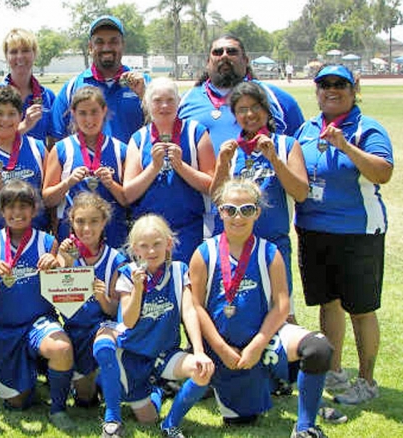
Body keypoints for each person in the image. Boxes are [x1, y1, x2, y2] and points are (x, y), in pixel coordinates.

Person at [190, 178, 333, 438]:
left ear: (257, 212)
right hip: (224, 347)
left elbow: (281, 305)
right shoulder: (203, 253)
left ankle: (305, 427)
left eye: (246, 209)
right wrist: (221, 349)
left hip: (263, 340)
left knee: (319, 348)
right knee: (243, 420)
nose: (238, 217)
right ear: (219, 210)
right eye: (230, 209)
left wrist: (258, 343)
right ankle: (263, 382)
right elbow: (196, 307)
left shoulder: (269, 252)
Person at [295, 64, 393, 405]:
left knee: (361, 309)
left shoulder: (367, 129)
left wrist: (346, 147)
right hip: (312, 229)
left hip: (357, 232)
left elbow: (383, 172)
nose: (331, 90)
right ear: (317, 90)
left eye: (340, 84)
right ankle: (334, 370)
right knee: (328, 303)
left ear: (354, 90)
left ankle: (366, 380)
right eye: (325, 84)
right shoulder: (306, 129)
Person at [92, 214, 213, 438]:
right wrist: (138, 288)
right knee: (102, 345)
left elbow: (189, 311)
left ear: (168, 243)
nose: (151, 251)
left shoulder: (178, 271)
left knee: (203, 370)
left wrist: (198, 351)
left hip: (163, 353)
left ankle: (170, 424)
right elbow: (127, 321)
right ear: (135, 250)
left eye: (157, 244)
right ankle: (112, 419)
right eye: (144, 246)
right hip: (132, 353)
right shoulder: (128, 273)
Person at [0, 180, 75, 431]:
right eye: (10, 206)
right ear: (1, 210)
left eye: (23, 207)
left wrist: (58, 262)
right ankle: (29, 375)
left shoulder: (46, 242)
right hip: (2, 327)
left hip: (37, 322)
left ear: (34, 210)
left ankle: (59, 408)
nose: (16, 213)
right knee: (18, 403)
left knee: (61, 348)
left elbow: (63, 288)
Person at [211, 81, 308, 320]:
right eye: (242, 109)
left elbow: (301, 192)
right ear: (234, 115)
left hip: (274, 244)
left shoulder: (286, 145)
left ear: (266, 110)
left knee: (283, 313)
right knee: (241, 314)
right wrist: (223, 163)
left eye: (255, 107)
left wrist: (274, 158)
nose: (250, 114)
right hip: (237, 248)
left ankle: (288, 358)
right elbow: (216, 198)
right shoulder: (231, 150)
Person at [124, 77, 215, 263]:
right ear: (147, 104)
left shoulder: (195, 132)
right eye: (157, 100)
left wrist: (181, 167)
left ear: (179, 102)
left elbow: (212, 185)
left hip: (188, 229)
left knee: (186, 285)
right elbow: (128, 194)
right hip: (149, 232)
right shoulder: (139, 139)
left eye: (170, 100)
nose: (164, 106)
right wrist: (153, 168)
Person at [178, 34, 304, 156]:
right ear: (207, 62)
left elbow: (301, 149)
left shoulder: (277, 98)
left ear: (246, 60)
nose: (224, 56)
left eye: (232, 52)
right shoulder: (183, 100)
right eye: (217, 52)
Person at [55, 192, 126, 407]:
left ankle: (113, 378)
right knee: (85, 400)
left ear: (104, 222)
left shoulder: (116, 260)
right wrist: (65, 265)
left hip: (103, 329)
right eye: (80, 221)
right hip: (74, 331)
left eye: (94, 221)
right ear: (71, 222)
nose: (87, 228)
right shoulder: (65, 253)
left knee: (117, 389)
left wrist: (102, 298)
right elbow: (56, 300)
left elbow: (115, 310)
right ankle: (84, 381)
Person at [43, 86, 128, 248]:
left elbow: (127, 200)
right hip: (73, 235)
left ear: (104, 111)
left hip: (112, 234)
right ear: (73, 114)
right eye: (82, 113)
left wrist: (111, 184)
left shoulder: (120, 149)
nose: (89, 119)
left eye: (94, 112)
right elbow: (47, 200)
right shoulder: (62, 149)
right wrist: (67, 183)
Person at [0, 85, 48, 249]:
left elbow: (48, 197)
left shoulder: (38, 149)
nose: (5, 120)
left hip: (36, 243)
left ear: (21, 116)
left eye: (12, 114)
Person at [51, 15, 149, 143]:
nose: (107, 47)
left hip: (132, 162)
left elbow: (163, 127)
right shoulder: (72, 87)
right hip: (86, 163)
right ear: (90, 47)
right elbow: (55, 138)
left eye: (113, 41)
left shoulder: (144, 84)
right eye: (99, 42)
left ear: (122, 45)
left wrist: (145, 96)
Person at [0, 28, 56, 145]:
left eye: (25, 50)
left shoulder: (48, 96)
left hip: (38, 162)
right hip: (2, 163)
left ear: (35, 54)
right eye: (13, 52)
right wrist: (24, 126)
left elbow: (53, 143)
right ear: (6, 56)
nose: (19, 56)